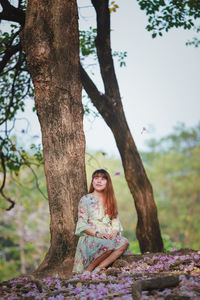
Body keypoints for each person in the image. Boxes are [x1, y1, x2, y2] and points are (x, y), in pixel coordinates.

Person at [73, 169, 129, 274]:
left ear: (108, 182)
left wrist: (114, 231)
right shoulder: (85, 199)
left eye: (103, 179)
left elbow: (114, 219)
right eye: (96, 178)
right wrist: (97, 234)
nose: (99, 181)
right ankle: (88, 270)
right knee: (109, 244)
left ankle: (98, 269)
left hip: (108, 236)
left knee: (123, 242)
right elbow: (82, 223)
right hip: (92, 235)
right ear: (92, 181)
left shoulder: (110, 199)